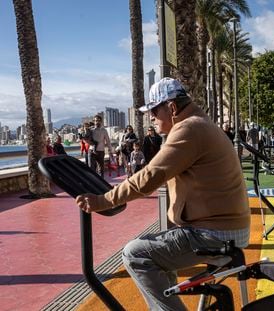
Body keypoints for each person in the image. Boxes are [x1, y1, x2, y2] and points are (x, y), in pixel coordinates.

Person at [75, 77, 250, 310]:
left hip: (214, 233)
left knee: (135, 254)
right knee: (156, 250)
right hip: (226, 229)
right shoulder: (201, 124)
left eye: (154, 111)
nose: (152, 117)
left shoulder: (189, 128)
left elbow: (150, 176)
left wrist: (103, 200)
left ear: (172, 107)